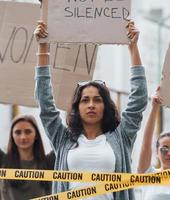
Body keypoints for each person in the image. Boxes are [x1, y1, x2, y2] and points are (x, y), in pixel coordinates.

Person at [34, 19, 148, 200]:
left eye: (97, 100)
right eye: (85, 100)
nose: (91, 105)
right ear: (77, 107)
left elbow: (139, 99)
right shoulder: (63, 139)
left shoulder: (121, 137)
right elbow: (46, 105)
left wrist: (133, 47)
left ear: (106, 106)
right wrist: (43, 47)